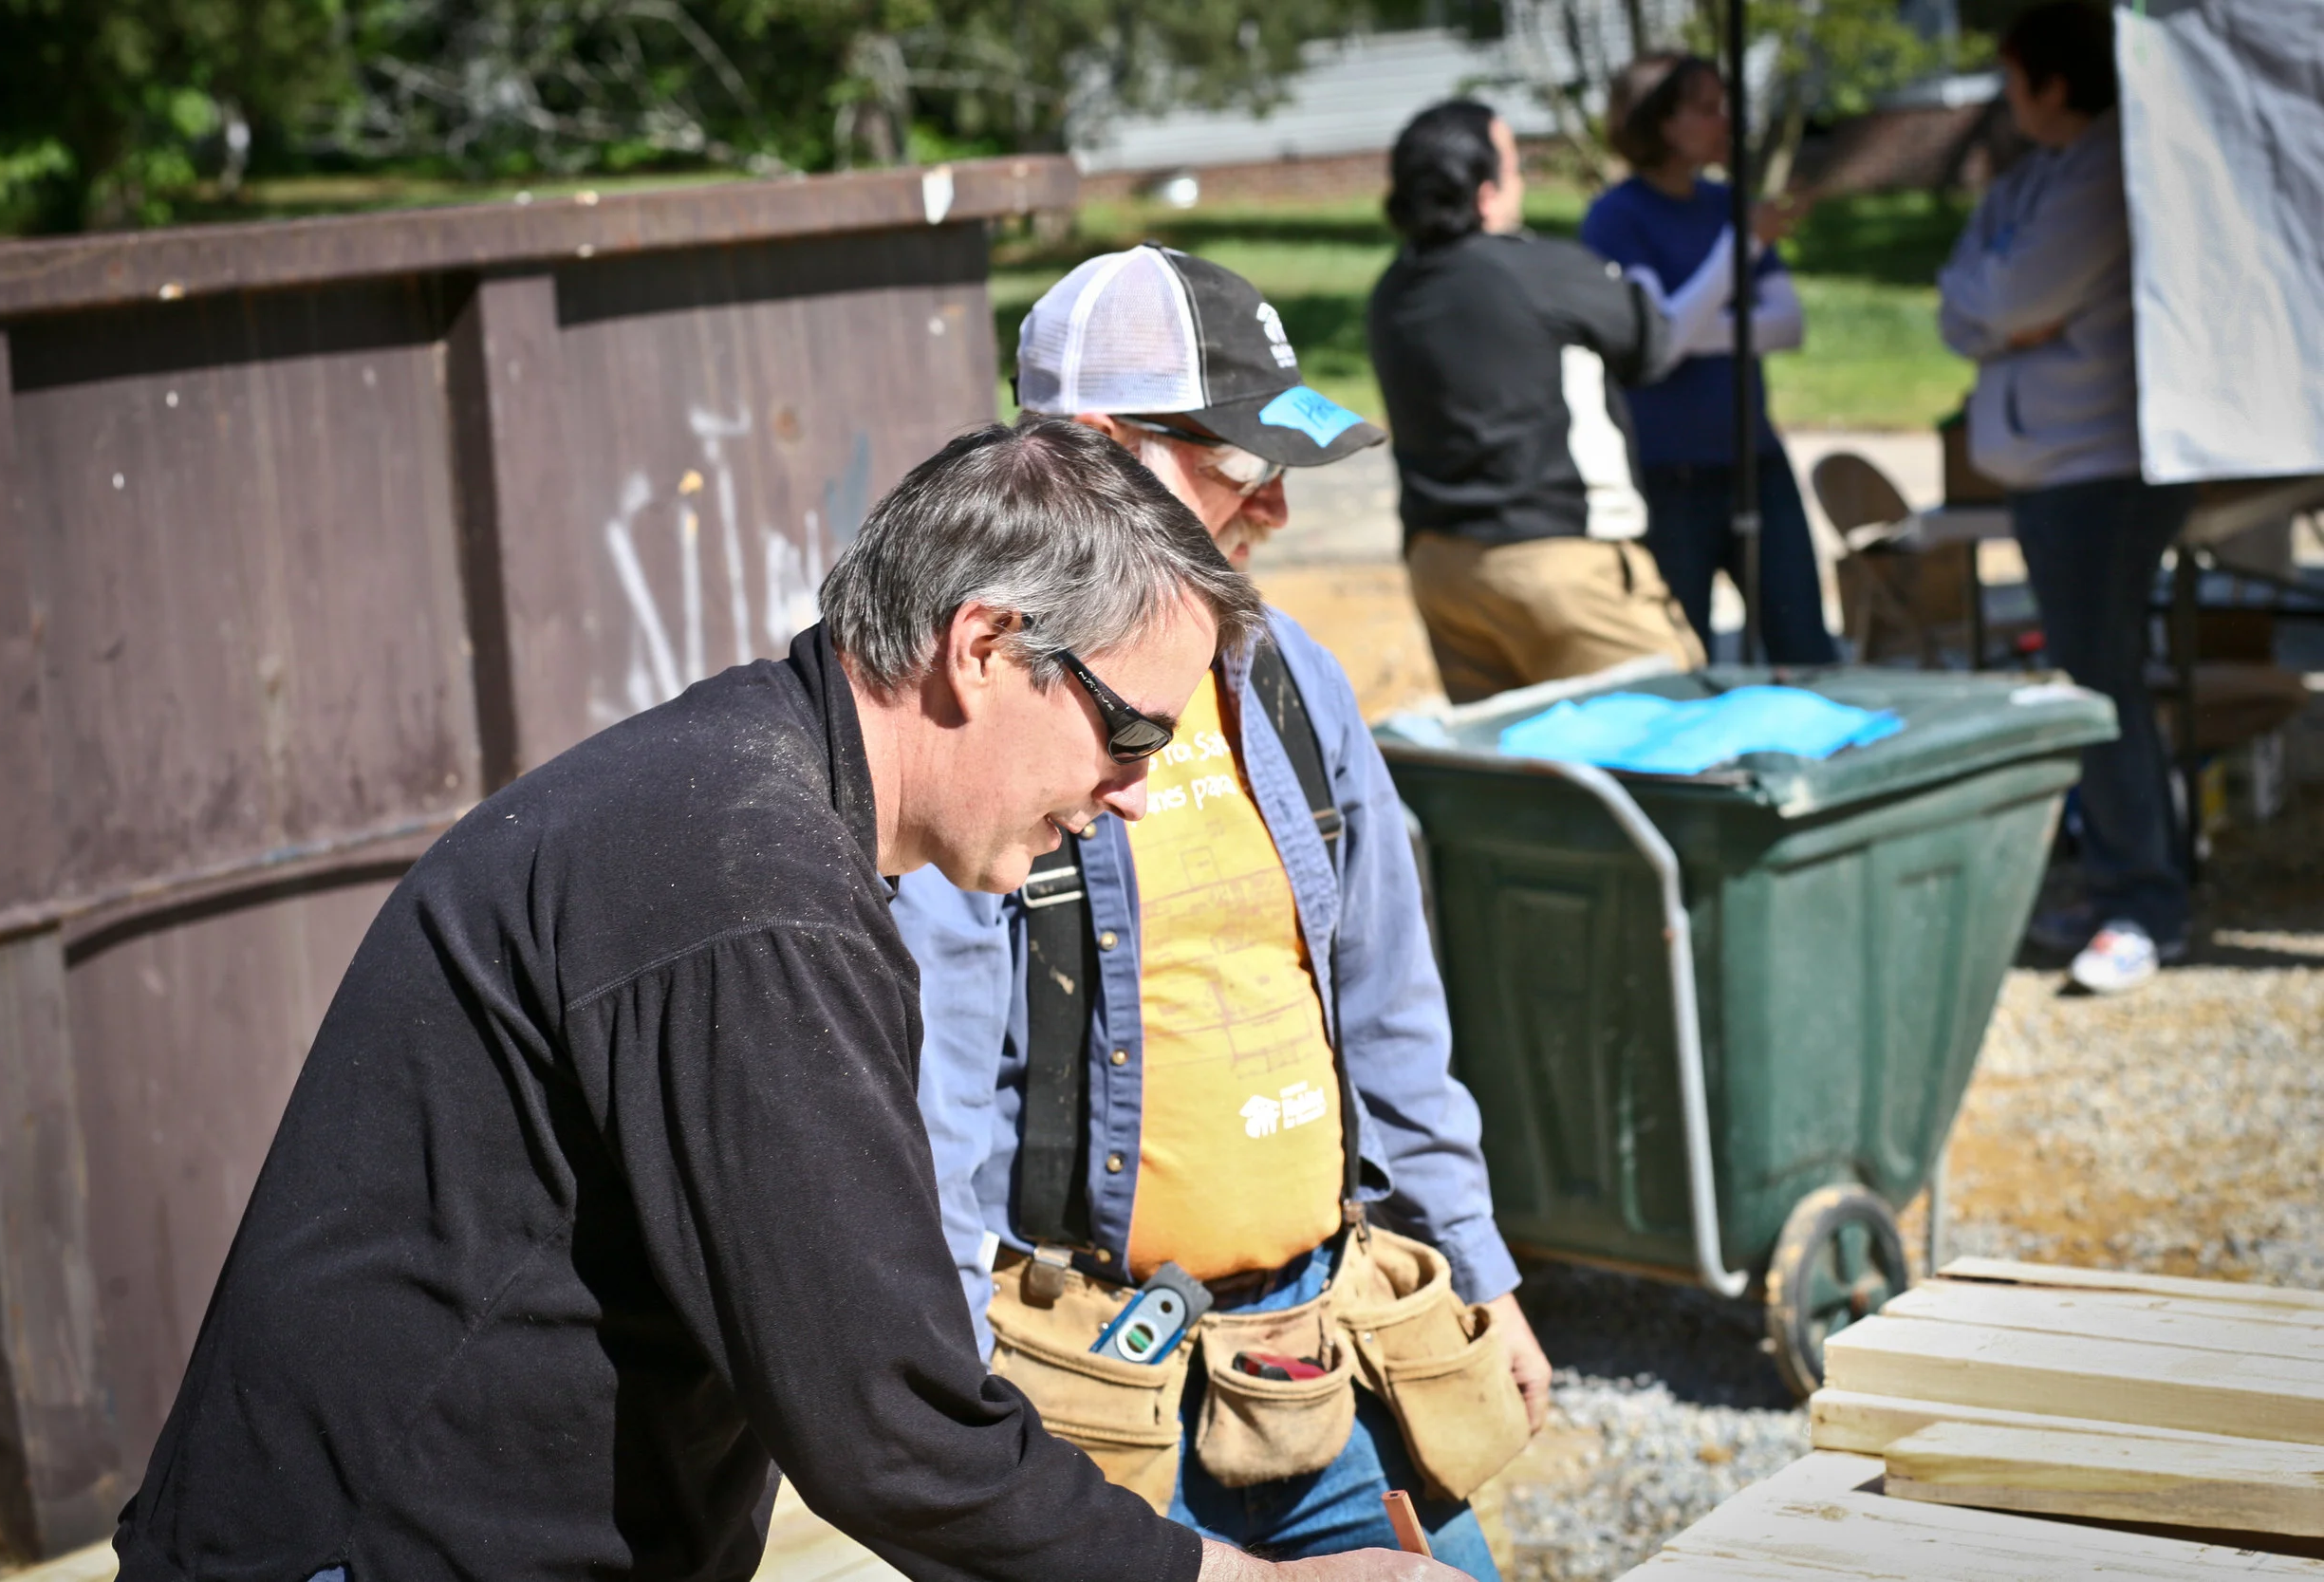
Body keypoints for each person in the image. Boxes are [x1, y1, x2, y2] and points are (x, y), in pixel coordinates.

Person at [111, 419, 1465, 1582]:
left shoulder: (752, 788)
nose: (1136, 792)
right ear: (984, 646)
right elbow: (889, 1426)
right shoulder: (747, 882)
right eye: (1131, 732)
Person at [897, 245, 1549, 1582]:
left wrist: (1479, 1269)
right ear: (1098, 454)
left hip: (1320, 1350)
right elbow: (935, 1096)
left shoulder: (1291, 678)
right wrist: (955, 1402)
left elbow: (1388, 1006)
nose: (1279, 509)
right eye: (1244, 466)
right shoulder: (983, 719)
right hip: (1085, 1389)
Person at [1939, 0, 2190, 995]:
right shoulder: (2033, 173)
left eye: (2011, 80)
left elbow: (2003, 298)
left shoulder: (2100, 170)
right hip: (2051, 471)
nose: (2003, 101)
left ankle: (2144, 902)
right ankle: (2122, 883)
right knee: (2092, 677)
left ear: (2054, 83)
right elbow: (1963, 300)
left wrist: (1998, 311)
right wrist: (1997, 313)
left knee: (2101, 682)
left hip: (2100, 468)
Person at [1368, 99, 1707, 703]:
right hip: (1556, 560)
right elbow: (1651, 345)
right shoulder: (1536, 270)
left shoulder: (1391, 290)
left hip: (1442, 567)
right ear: (1485, 194)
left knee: (1514, 753)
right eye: (1515, 166)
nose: (1522, 181)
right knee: (1679, 728)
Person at [1580, 54, 1836, 666]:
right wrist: (1743, 248)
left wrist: (1693, 324)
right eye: (1707, 108)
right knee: (1682, 657)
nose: (1727, 121)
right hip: (1670, 476)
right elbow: (1662, 341)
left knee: (1805, 649)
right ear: (1663, 122)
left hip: (1756, 462)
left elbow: (1787, 325)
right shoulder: (1617, 218)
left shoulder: (1728, 204)